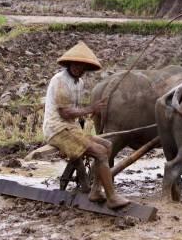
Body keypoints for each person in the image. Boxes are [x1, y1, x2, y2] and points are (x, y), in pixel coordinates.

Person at [43, 41, 130, 209]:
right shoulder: (60, 81)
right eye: (75, 64)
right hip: (57, 130)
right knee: (100, 153)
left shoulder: (79, 83)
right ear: (69, 64)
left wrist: (92, 111)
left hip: (71, 129)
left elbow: (75, 111)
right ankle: (112, 197)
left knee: (107, 145)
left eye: (81, 65)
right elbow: (65, 113)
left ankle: (96, 190)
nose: (78, 67)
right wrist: (91, 108)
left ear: (85, 68)